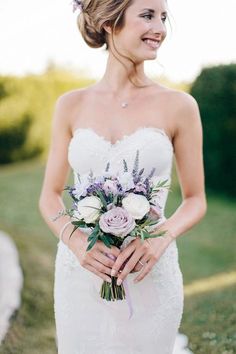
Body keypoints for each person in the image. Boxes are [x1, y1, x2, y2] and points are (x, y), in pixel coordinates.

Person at [39, 0, 207, 353]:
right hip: (81, 274)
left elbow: (195, 201)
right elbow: (50, 195)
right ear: (109, 23)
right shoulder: (71, 105)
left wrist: (160, 237)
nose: (160, 28)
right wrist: (76, 243)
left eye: (163, 17)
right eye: (147, 15)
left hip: (149, 270)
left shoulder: (180, 106)